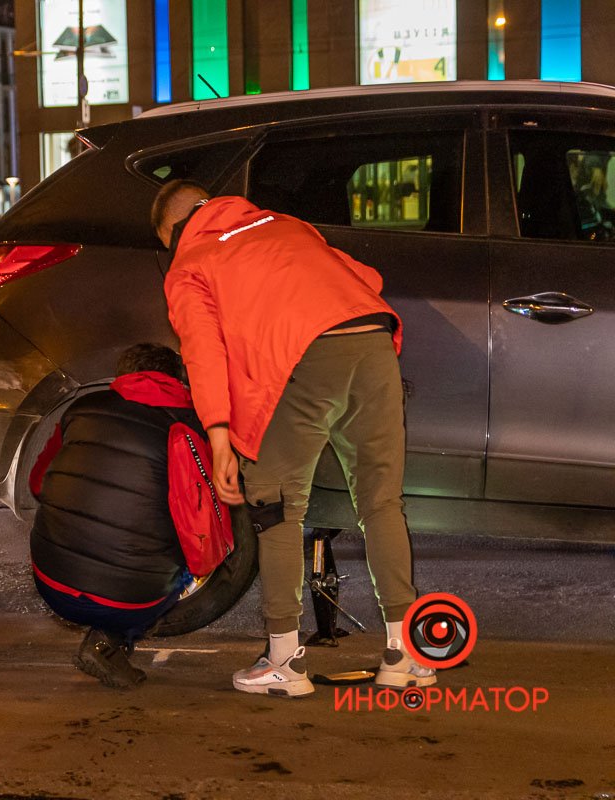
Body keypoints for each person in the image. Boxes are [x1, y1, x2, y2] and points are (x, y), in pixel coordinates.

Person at [150, 179, 435, 698]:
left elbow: (203, 352)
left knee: (278, 510)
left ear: (172, 230)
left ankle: (285, 662)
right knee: (381, 501)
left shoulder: (190, 263)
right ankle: (404, 655)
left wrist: (219, 439)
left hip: (304, 358)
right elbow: (364, 276)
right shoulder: (284, 224)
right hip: (370, 340)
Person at [29, 343, 207, 689]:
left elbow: (38, 485)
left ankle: (108, 629)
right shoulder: (191, 425)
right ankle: (110, 639)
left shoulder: (83, 408)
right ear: (178, 378)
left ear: (122, 376)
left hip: (50, 582)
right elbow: (200, 520)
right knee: (189, 562)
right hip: (129, 598)